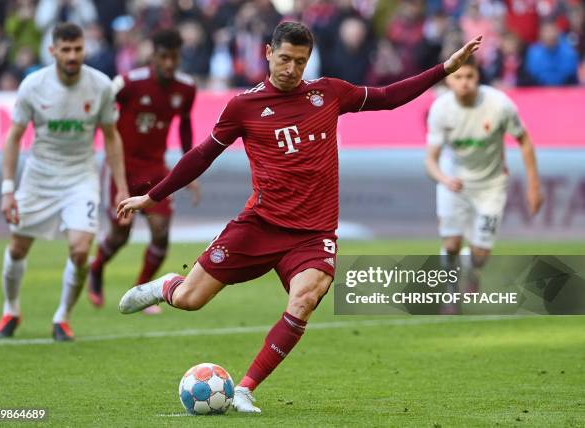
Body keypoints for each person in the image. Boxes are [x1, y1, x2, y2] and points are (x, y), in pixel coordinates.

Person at [116, 21, 481, 412]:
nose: (291, 68)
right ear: (268, 53)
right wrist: (152, 197)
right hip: (260, 224)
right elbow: (202, 154)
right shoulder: (244, 106)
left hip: (313, 232)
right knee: (190, 299)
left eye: (300, 61)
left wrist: (445, 67)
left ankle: (244, 389)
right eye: (285, 59)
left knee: (305, 299)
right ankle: (167, 286)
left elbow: (389, 97)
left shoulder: (329, 93)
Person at [0, 22, 129, 341]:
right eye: (66, 50)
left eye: (78, 49)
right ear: (52, 50)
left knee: (81, 250)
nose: (72, 56)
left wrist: (122, 187)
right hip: (39, 177)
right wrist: (8, 190)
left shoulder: (100, 86)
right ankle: (11, 308)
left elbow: (111, 137)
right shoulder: (33, 85)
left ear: (84, 49)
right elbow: (13, 137)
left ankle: (62, 317)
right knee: (17, 248)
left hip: (80, 177)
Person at [87, 29, 200, 313]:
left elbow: (185, 125)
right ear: (154, 57)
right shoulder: (129, 83)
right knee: (119, 236)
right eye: (164, 57)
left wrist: (190, 171)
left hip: (155, 169)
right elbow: (100, 111)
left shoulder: (186, 88)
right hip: (121, 167)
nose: (169, 64)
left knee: (161, 233)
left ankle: (140, 291)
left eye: (174, 58)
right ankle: (96, 267)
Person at [425, 56, 544, 302]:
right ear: (448, 79)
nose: (464, 83)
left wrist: (534, 185)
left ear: (478, 77)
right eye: (458, 77)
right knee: (451, 244)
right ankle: (451, 293)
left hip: (491, 185)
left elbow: (524, 141)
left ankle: (473, 270)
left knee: (480, 254)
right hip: (454, 183)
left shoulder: (499, 105)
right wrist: (444, 179)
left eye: (469, 76)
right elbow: (430, 160)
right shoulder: (440, 109)